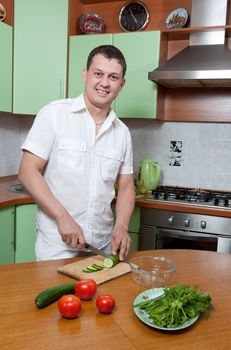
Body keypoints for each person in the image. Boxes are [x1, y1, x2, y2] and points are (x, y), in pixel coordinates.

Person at [18, 45, 135, 262]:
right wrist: (62, 217)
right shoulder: (54, 114)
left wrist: (121, 226)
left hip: (101, 245)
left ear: (121, 84)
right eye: (98, 74)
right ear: (85, 75)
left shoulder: (123, 133)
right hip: (56, 244)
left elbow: (127, 186)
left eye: (113, 77)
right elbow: (27, 171)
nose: (104, 83)